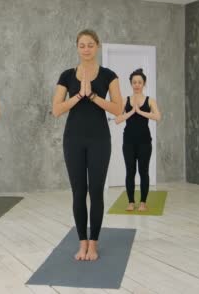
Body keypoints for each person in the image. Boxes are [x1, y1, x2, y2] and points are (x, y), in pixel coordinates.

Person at [52, 29, 122, 261]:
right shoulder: (66, 76)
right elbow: (56, 109)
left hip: (99, 140)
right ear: (77, 47)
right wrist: (78, 96)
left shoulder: (109, 75)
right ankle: (82, 242)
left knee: (96, 192)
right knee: (78, 192)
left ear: (97, 46)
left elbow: (118, 108)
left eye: (90, 44)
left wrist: (92, 96)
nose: (86, 49)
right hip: (73, 139)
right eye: (82, 45)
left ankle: (94, 244)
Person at [114, 68, 161, 211]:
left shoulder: (150, 100)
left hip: (145, 142)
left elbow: (158, 117)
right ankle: (130, 202)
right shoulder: (125, 100)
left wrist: (140, 112)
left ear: (144, 83)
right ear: (131, 84)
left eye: (139, 82)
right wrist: (131, 112)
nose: (137, 84)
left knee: (143, 171)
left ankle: (143, 202)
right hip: (128, 141)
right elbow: (117, 119)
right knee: (130, 171)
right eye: (134, 82)